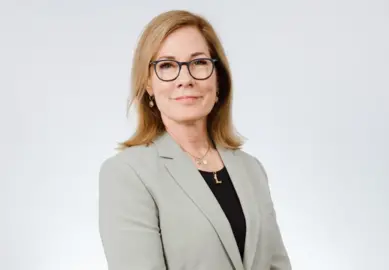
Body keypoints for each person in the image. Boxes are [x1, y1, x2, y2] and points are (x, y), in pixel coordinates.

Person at [98, 10, 291, 270]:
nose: (185, 79)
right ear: (148, 85)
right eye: (166, 65)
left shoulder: (251, 169)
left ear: (218, 77)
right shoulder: (127, 174)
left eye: (199, 62)